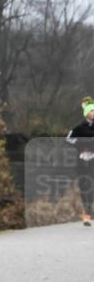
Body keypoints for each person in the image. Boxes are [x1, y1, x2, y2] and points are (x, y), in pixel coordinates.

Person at [65, 96, 94, 226]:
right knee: (84, 186)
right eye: (92, 111)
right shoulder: (79, 127)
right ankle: (87, 215)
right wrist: (80, 146)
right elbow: (69, 139)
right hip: (82, 160)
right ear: (86, 113)